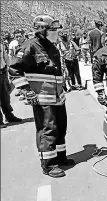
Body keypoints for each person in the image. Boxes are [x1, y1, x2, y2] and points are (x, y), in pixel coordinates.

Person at [8, 15, 75, 178]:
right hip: (42, 98)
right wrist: (26, 89)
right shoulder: (29, 47)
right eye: (52, 30)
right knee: (47, 129)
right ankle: (49, 165)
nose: (56, 33)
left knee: (61, 126)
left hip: (58, 97)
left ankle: (60, 157)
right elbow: (14, 70)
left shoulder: (52, 47)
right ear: (42, 30)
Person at [0, 41, 22, 128]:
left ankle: (9, 115)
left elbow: (5, 56)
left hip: (2, 72)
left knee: (5, 96)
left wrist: (8, 67)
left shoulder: (1, 44)